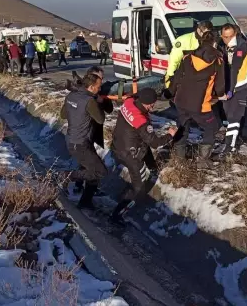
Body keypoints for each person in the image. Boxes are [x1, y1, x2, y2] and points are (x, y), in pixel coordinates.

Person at [110, 88, 177, 225]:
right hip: (131, 155)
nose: (153, 107)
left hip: (118, 145)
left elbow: (133, 95)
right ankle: (117, 214)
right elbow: (154, 143)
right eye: (153, 104)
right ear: (149, 104)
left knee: (143, 147)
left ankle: (153, 168)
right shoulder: (141, 120)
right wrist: (170, 134)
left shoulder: (129, 102)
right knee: (138, 188)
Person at [168, 30, 225, 167]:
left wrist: (170, 92)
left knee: (183, 126)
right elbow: (220, 86)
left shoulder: (187, 57)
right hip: (200, 104)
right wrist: (219, 94)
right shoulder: (217, 60)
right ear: (215, 43)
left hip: (181, 100)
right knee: (211, 127)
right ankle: (203, 160)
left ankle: (179, 158)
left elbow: (176, 78)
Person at [61, 73, 108, 210]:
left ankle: (85, 201)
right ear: (92, 87)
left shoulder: (70, 96)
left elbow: (63, 115)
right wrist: (99, 103)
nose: (100, 89)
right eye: (98, 87)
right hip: (81, 143)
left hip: (73, 140)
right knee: (101, 171)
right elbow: (101, 120)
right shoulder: (90, 101)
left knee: (92, 171)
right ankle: (68, 175)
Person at [218, 24, 247, 156]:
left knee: (235, 115)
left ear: (235, 35)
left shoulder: (241, 46)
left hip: (242, 84)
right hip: (229, 84)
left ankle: (230, 147)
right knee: (228, 113)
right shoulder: (222, 45)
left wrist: (231, 89)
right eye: (225, 37)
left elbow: (235, 68)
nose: (227, 39)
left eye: (230, 37)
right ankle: (232, 138)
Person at [164, 20, 213, 88]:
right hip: (186, 78)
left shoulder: (212, 40)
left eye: (208, 33)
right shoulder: (183, 40)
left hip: (205, 79)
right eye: (204, 33)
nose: (206, 36)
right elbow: (174, 61)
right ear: (198, 30)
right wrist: (170, 79)